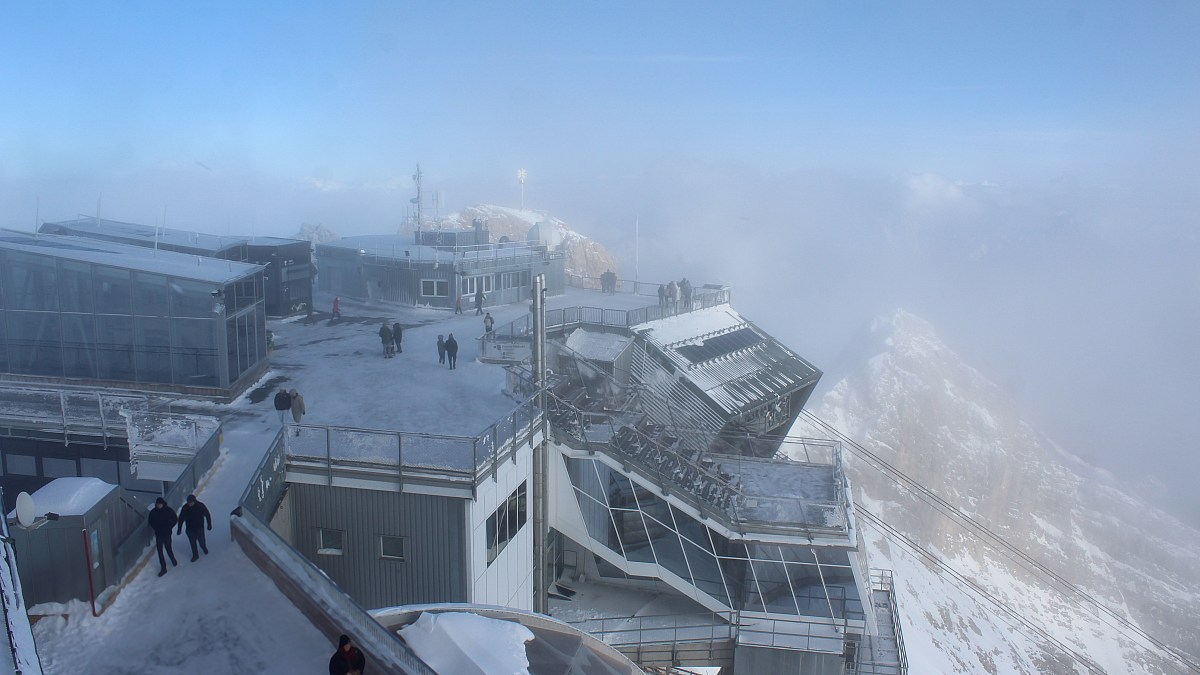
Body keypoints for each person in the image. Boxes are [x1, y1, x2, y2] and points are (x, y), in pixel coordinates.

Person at [176, 494, 212, 562]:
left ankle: (203, 547)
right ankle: (195, 555)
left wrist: (209, 524)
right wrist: (179, 529)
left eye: (191, 502)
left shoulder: (200, 506)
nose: (190, 504)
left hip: (199, 528)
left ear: (194, 501)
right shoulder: (185, 508)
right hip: (190, 529)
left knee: (201, 541)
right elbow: (181, 519)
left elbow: (207, 514)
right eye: (189, 502)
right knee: (192, 543)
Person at [148, 497, 178, 576]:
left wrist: (169, 526)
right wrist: (155, 527)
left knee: (168, 549)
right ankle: (163, 568)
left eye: (160, 504)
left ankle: (173, 560)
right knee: (160, 552)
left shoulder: (168, 510)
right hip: (159, 534)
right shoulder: (153, 512)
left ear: (162, 504)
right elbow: (150, 521)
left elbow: (175, 518)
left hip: (167, 533)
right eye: (158, 504)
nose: (159, 506)